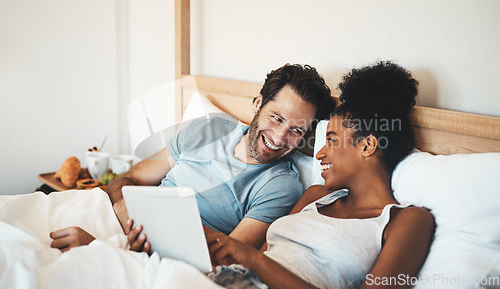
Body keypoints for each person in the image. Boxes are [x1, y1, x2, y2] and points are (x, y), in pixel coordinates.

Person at [49, 64, 335, 253]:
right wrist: (127, 213)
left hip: (156, 255)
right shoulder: (208, 128)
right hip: (121, 222)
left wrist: (107, 248)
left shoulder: (280, 186)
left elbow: (228, 257)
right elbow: (130, 179)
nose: (280, 137)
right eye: (276, 118)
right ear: (258, 104)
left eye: (296, 130)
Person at [203, 60, 435, 289]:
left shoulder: (407, 221)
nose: (320, 154)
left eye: (331, 140)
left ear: (367, 146)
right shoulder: (315, 196)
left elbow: (257, 261)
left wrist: (254, 259)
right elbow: (254, 263)